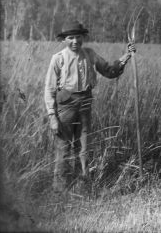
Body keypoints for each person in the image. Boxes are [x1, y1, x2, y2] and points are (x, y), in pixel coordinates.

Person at [44, 20, 136, 192]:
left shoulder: (90, 54)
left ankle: (82, 188)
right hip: (65, 106)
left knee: (84, 148)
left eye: (78, 37)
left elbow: (109, 71)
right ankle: (60, 190)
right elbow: (49, 89)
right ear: (64, 39)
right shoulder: (58, 59)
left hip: (85, 103)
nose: (75, 41)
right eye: (70, 38)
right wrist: (52, 116)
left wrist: (126, 56)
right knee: (63, 147)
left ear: (83, 38)